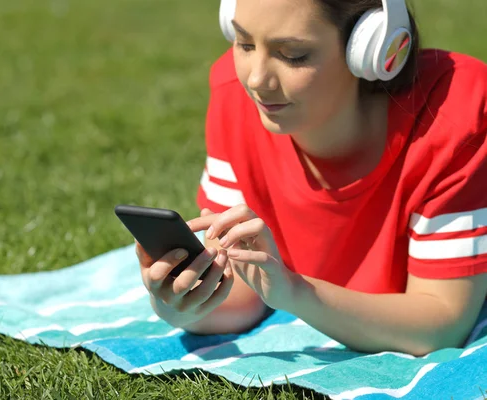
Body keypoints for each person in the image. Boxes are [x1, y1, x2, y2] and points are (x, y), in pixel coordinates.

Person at [136, 0, 487, 356]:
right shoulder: (234, 95)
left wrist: (296, 293)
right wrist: (176, 302)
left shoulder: (453, 117)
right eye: (244, 44)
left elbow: (442, 324)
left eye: (292, 55)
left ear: (370, 47)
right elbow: (245, 294)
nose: (256, 79)